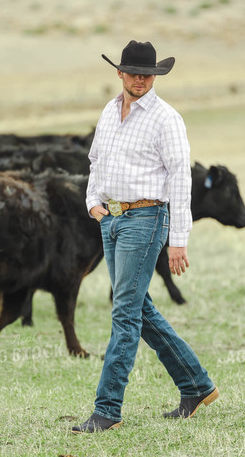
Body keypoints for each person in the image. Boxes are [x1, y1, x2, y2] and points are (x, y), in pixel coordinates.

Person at [71, 40, 219, 433]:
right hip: (111, 218)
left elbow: (181, 178)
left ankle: (107, 410)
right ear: (119, 73)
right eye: (134, 72)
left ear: (155, 75)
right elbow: (96, 159)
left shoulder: (166, 118)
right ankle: (196, 386)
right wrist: (92, 201)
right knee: (138, 308)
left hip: (147, 216)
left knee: (123, 312)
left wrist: (178, 238)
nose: (141, 79)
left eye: (148, 74)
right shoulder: (109, 110)